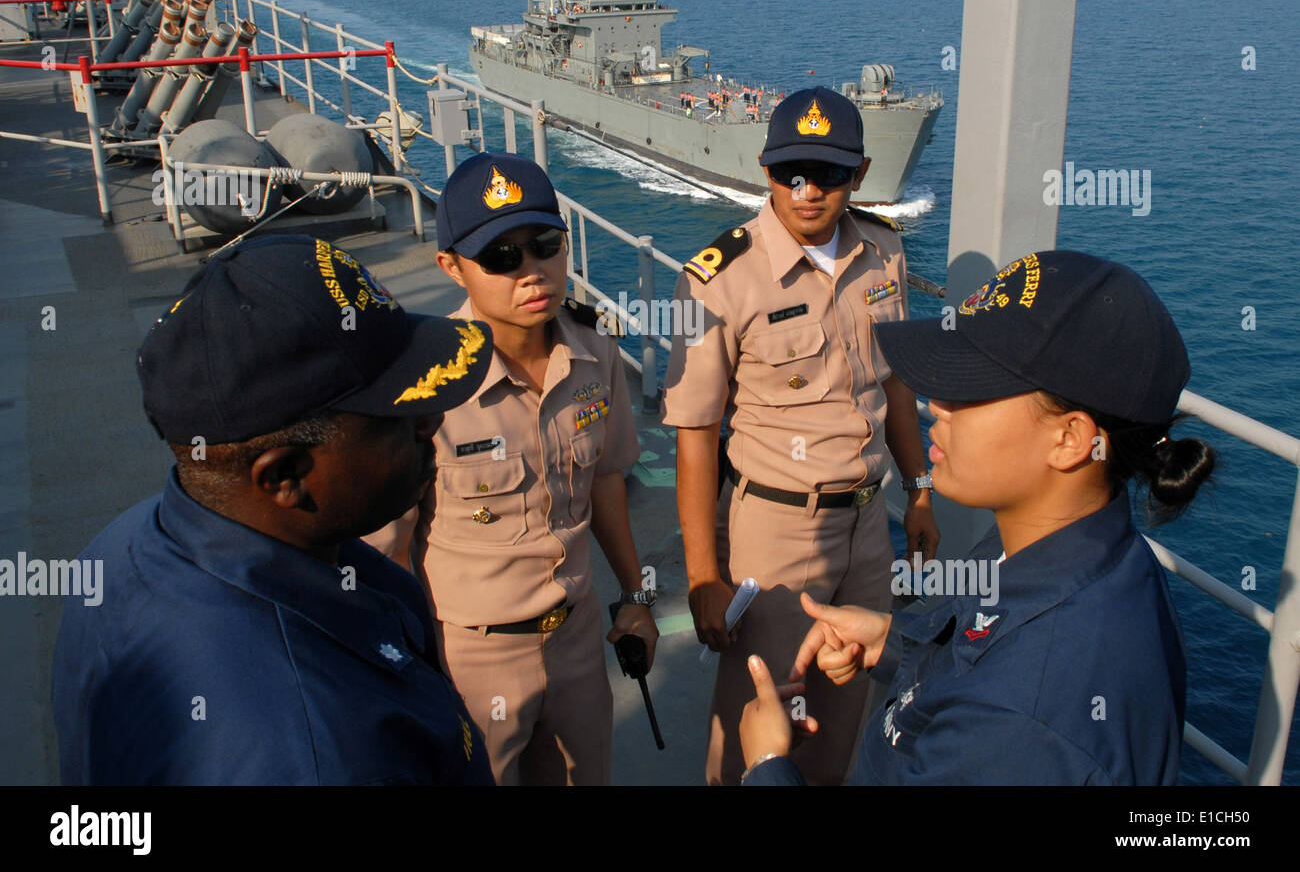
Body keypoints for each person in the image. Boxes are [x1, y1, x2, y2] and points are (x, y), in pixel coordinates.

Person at [738, 249, 1216, 786]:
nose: (936, 403)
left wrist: (766, 765)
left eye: (973, 385)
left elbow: (1011, 712)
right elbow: (985, 655)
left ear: (1070, 439)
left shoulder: (1028, 722)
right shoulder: (1046, 546)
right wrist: (894, 642)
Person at [52, 235, 496, 785]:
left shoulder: (128, 545)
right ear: (284, 477)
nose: (433, 423)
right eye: (401, 415)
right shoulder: (312, 752)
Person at [662, 86, 940, 786]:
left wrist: (921, 491)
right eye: (791, 173)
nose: (808, 191)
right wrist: (703, 576)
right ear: (764, 169)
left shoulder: (883, 254)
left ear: (860, 172)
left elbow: (896, 385)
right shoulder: (719, 280)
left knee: (846, 709)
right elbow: (695, 432)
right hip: (776, 529)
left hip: (869, 521)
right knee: (762, 709)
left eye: (830, 175)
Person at [365, 152, 658, 786]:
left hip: (577, 638)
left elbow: (605, 480)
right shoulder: (422, 388)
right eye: (501, 256)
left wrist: (636, 599)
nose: (531, 271)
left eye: (544, 244)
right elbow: (386, 552)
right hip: (469, 656)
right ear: (452, 267)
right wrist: (405, 664)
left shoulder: (595, 354)